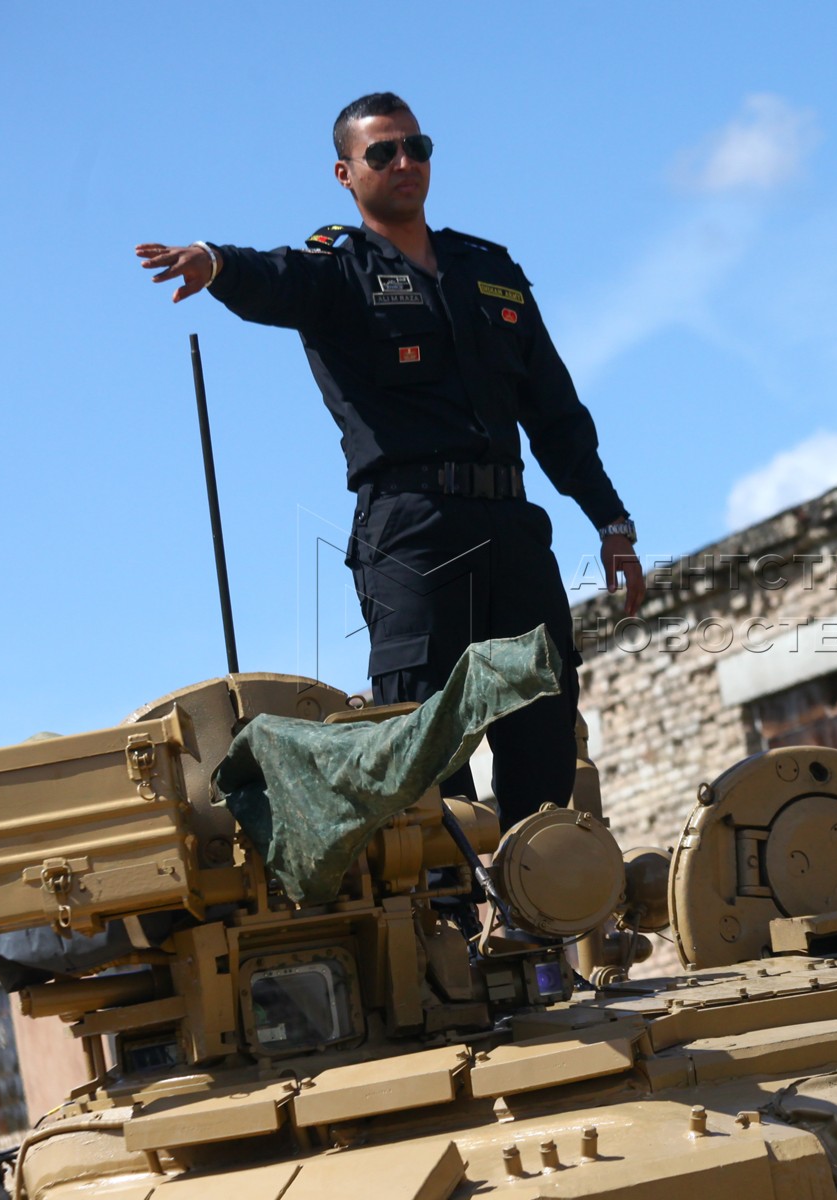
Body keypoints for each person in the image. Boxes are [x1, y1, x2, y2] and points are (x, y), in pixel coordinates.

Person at [136, 92, 643, 827]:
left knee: (544, 724)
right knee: (423, 744)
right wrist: (216, 262)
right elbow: (276, 280)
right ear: (345, 173)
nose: (405, 161)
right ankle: (450, 895)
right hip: (413, 530)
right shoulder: (338, 272)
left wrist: (611, 523)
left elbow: (557, 416)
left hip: (512, 525)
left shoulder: (489, 271)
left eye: (417, 146)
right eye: (383, 151)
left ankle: (541, 885)